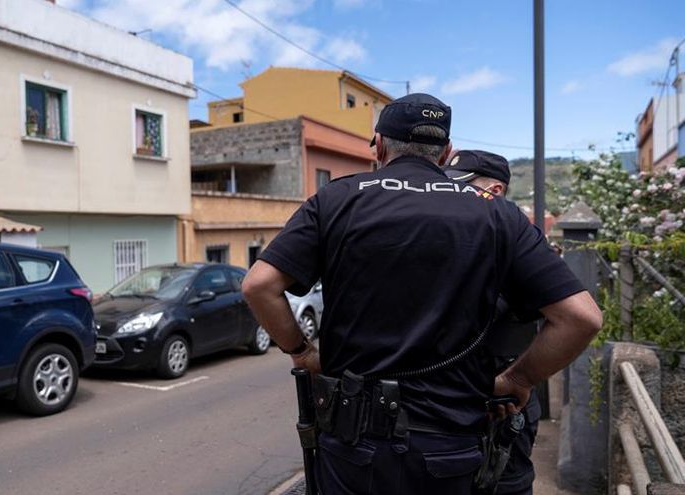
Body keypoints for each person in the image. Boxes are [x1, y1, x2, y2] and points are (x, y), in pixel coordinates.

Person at [242, 93, 602, 494]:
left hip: (353, 446)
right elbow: (581, 317)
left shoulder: (335, 199)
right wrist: (520, 377)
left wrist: (302, 351)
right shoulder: (497, 213)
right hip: (451, 448)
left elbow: (259, 286)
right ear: (447, 152)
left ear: (378, 144)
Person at [444, 149, 541, 495]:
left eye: (464, 186)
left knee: (504, 484)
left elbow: (570, 315)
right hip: (452, 401)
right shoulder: (462, 235)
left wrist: (515, 378)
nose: (454, 194)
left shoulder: (518, 241)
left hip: (500, 400)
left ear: (495, 192)